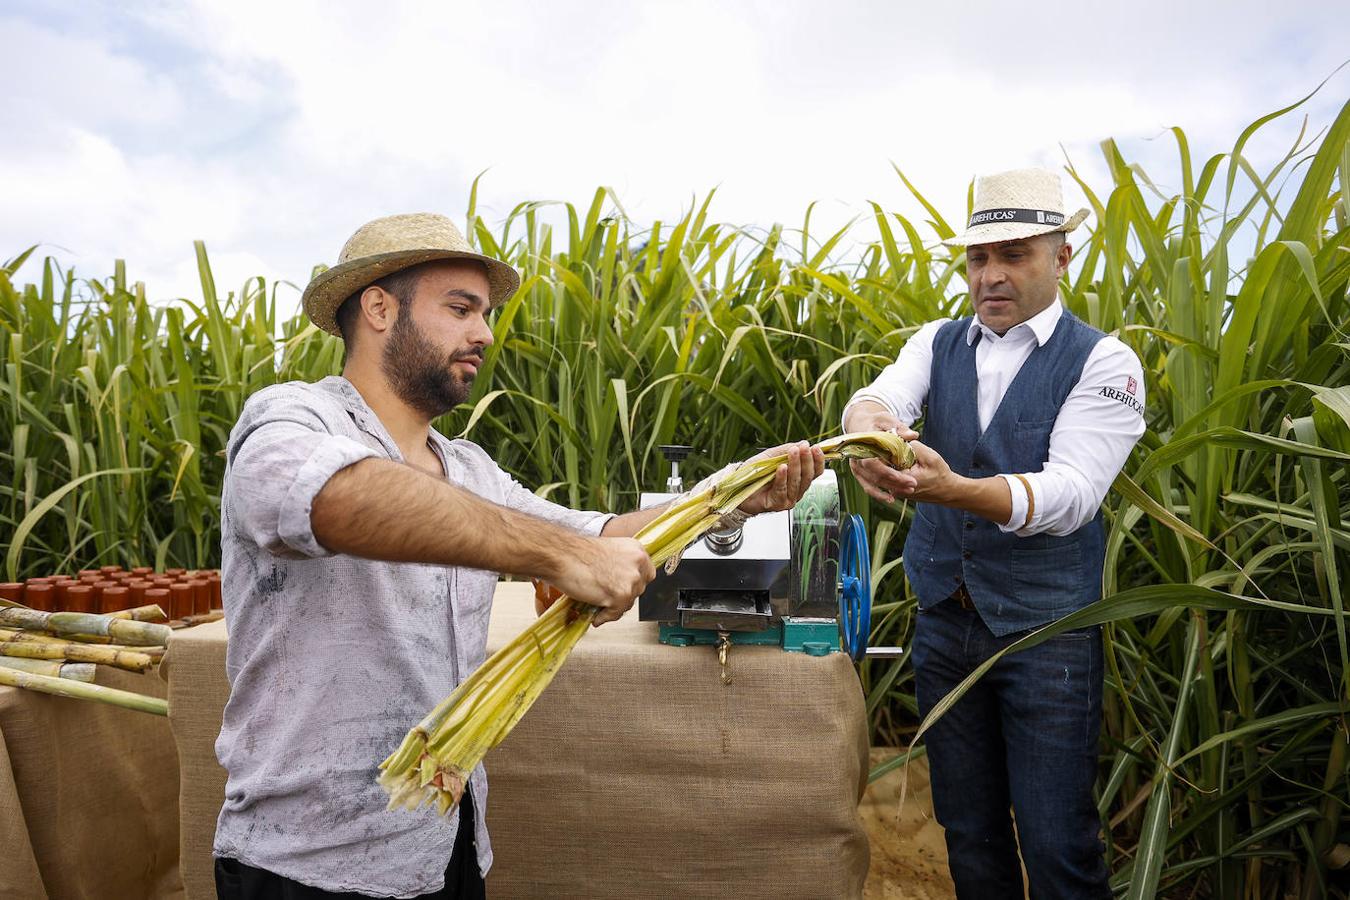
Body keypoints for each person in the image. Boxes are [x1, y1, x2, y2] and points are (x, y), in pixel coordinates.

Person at [213, 212, 824, 899]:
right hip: (310, 863)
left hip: (445, 845)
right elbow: (340, 496)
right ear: (379, 307)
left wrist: (734, 495)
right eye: (460, 308)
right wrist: (554, 554)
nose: (485, 333)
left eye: (487, 313)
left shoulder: (471, 471)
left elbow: (605, 536)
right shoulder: (289, 420)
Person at [843, 169, 1145, 898]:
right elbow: (878, 395)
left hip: (1047, 638)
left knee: (1057, 843)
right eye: (980, 258)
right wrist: (867, 431)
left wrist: (952, 490)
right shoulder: (938, 341)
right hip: (946, 623)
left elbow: (1071, 495)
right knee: (969, 833)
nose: (993, 276)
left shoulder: (1104, 361)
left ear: (1061, 256)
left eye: (1016, 255)